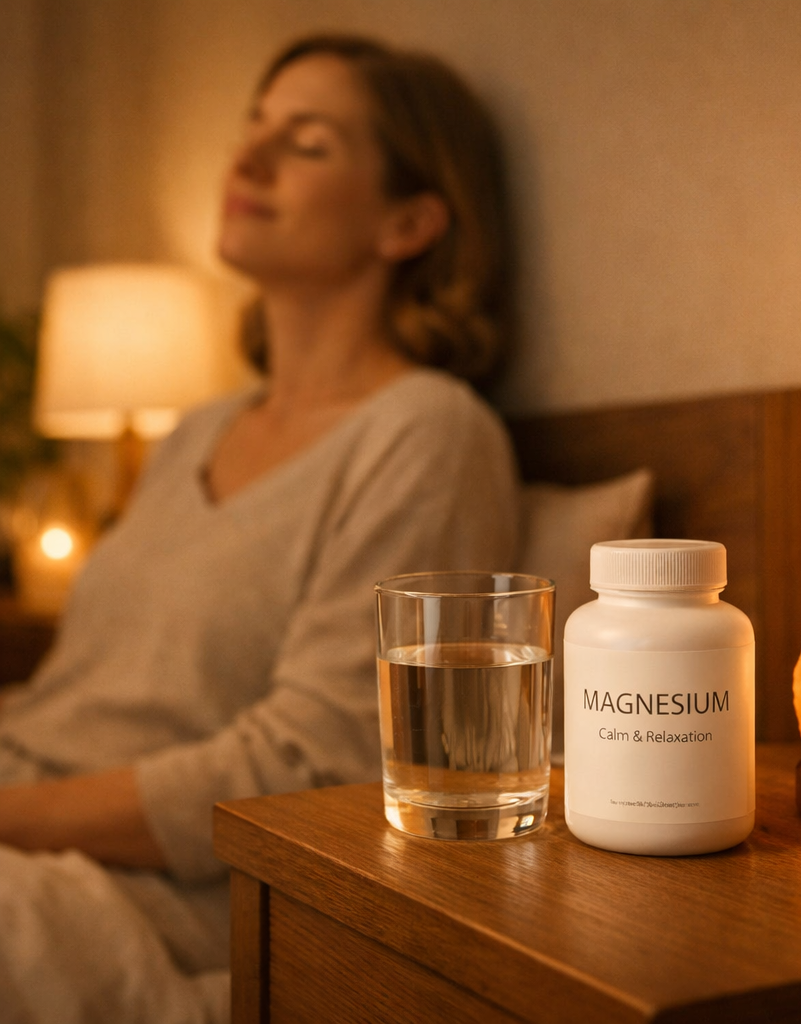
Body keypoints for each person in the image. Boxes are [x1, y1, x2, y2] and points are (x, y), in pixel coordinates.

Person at [0, 34, 518, 1023]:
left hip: (148, 888)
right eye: (254, 128)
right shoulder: (196, 430)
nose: (245, 160)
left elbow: (307, 767)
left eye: (308, 142)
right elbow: (88, 696)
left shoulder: (426, 431)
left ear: (408, 221)